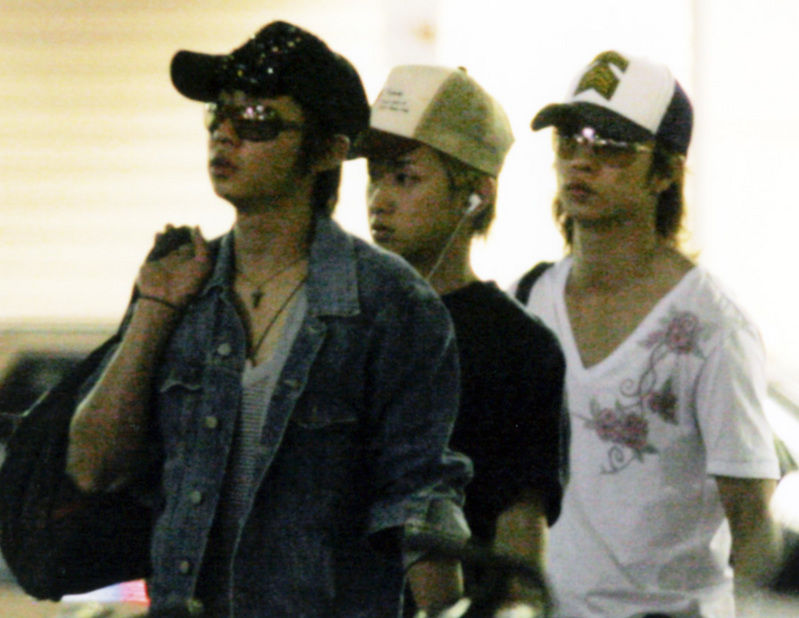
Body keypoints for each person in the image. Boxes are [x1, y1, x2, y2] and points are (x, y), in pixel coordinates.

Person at [65, 22, 473, 618]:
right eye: (219, 115)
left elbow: (418, 500)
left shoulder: (391, 304)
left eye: (257, 119)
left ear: (328, 151)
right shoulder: (180, 283)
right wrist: (154, 309)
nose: (225, 135)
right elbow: (93, 468)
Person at [511, 50, 782, 617]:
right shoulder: (529, 303)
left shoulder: (712, 327)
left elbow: (753, 525)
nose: (581, 161)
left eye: (611, 145)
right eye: (568, 139)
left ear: (664, 173)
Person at [358, 64, 567, 614]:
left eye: (405, 178)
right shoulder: (339, 317)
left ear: (475, 194)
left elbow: (519, 528)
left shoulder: (518, 346)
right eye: (375, 176)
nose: (379, 200)